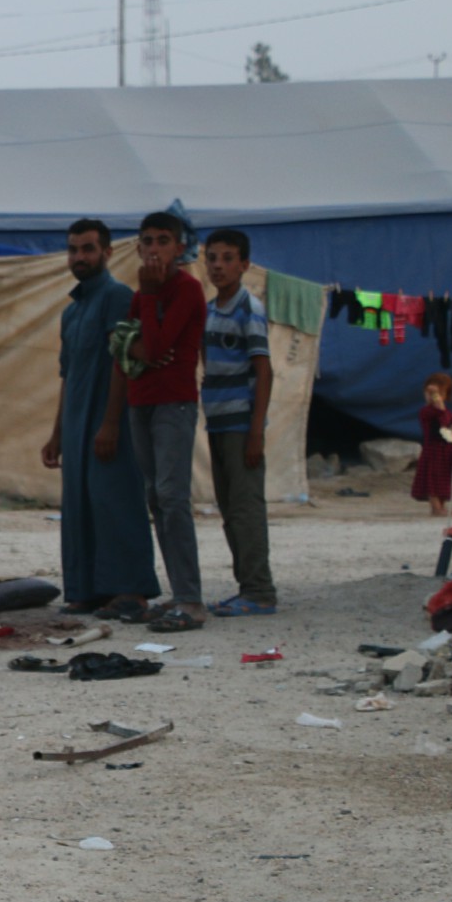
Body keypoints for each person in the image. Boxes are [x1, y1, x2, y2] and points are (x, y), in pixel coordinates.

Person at [40, 218, 158, 617]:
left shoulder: (117, 297)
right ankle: (88, 590)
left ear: (106, 253)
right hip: (75, 427)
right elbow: (67, 375)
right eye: (73, 249)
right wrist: (56, 435)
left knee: (115, 502)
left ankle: (129, 591)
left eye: (88, 249)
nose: (80, 257)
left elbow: (121, 363)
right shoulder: (70, 314)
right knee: (79, 507)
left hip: (109, 424)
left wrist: (110, 423)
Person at [102, 210, 207, 633]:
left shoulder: (186, 290)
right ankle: (179, 592)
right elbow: (128, 351)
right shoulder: (140, 295)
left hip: (174, 403)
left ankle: (191, 600)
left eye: (163, 241)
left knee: (173, 497)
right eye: (147, 241)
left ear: (178, 248)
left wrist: (147, 304)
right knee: (156, 498)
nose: (154, 250)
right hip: (141, 401)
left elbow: (154, 345)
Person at [198, 228, 275, 617]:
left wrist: (256, 430)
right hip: (217, 422)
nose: (218, 266)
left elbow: (264, 370)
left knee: (246, 507)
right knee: (230, 508)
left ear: (244, 265)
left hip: (241, 423)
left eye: (228, 258)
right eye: (212, 258)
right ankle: (247, 586)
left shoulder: (250, 308)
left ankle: (260, 591)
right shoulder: (210, 310)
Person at [412, 371, 452, 515]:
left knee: (444, 478)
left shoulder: (447, 413)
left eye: (438, 393)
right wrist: (435, 397)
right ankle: (436, 507)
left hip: (446, 449)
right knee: (432, 478)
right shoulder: (426, 411)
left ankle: (441, 506)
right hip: (433, 449)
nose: (434, 397)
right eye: (429, 393)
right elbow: (438, 410)